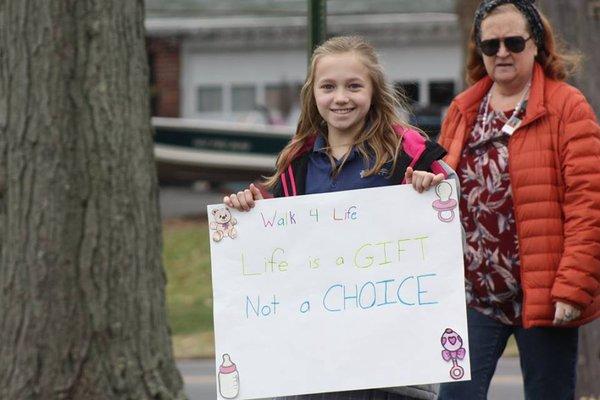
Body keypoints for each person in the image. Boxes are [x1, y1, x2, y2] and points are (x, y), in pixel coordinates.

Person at [224, 35, 455, 400]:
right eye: (328, 86)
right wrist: (246, 211)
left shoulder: (408, 154)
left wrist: (432, 187)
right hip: (318, 365)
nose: (341, 97)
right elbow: (275, 244)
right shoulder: (296, 163)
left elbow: (454, 214)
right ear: (313, 93)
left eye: (354, 86)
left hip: (393, 367)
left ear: (374, 91)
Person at [437, 1, 600, 399]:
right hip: (475, 295)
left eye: (513, 41)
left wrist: (572, 288)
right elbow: (440, 190)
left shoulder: (567, 106)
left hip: (545, 295)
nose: (502, 53)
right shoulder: (462, 110)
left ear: (537, 44)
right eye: (491, 45)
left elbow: (589, 204)